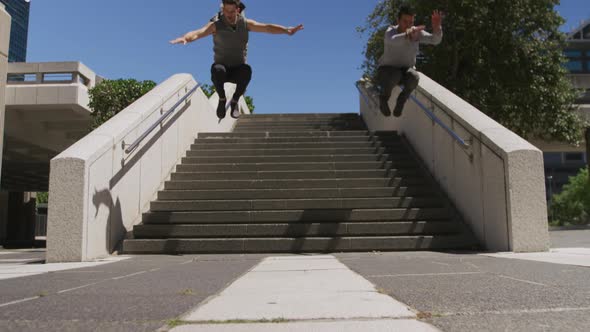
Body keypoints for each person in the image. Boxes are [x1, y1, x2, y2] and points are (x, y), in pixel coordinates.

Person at [170, 0, 304, 119]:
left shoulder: (245, 24)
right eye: (225, 11)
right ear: (222, 9)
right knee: (217, 69)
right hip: (222, 68)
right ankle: (222, 99)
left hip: (238, 69)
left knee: (247, 70)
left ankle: (234, 101)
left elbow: (267, 28)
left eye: (232, 12)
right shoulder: (216, 24)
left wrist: (286, 30)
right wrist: (186, 38)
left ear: (238, 10)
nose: (228, 15)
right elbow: (198, 32)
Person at [377, 5, 442, 117]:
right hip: (386, 71)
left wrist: (437, 28)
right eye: (405, 22)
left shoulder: (416, 32)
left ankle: (401, 101)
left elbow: (434, 40)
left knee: (414, 77)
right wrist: (407, 35)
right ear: (398, 20)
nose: (408, 25)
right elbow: (392, 41)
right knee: (395, 74)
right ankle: (383, 99)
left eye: (411, 22)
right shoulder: (391, 31)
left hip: (405, 71)